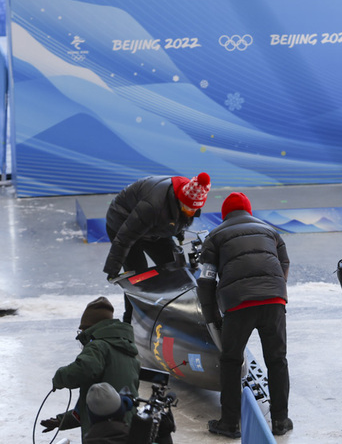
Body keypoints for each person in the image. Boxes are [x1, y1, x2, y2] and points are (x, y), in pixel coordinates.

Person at [198, 192, 292, 438]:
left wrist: (212, 318)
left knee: (231, 361)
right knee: (277, 360)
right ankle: (280, 420)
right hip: (274, 301)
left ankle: (230, 423)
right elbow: (284, 263)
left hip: (238, 304)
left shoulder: (215, 236)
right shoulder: (270, 231)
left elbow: (206, 281)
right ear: (249, 211)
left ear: (224, 214)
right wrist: (274, 289)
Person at [103, 172, 211, 322]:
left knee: (173, 265)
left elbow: (179, 218)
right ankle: (131, 320)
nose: (191, 212)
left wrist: (178, 233)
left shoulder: (189, 196)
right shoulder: (153, 205)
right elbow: (125, 237)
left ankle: (171, 310)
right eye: (188, 209)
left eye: (194, 210)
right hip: (122, 222)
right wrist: (113, 268)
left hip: (154, 227)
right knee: (138, 276)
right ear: (179, 200)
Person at [41, 297, 140, 439]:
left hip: (105, 434)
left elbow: (82, 370)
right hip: (127, 430)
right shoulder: (128, 352)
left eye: (82, 329)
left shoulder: (99, 346)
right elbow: (97, 407)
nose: (81, 334)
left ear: (91, 328)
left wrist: (59, 377)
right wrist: (61, 421)